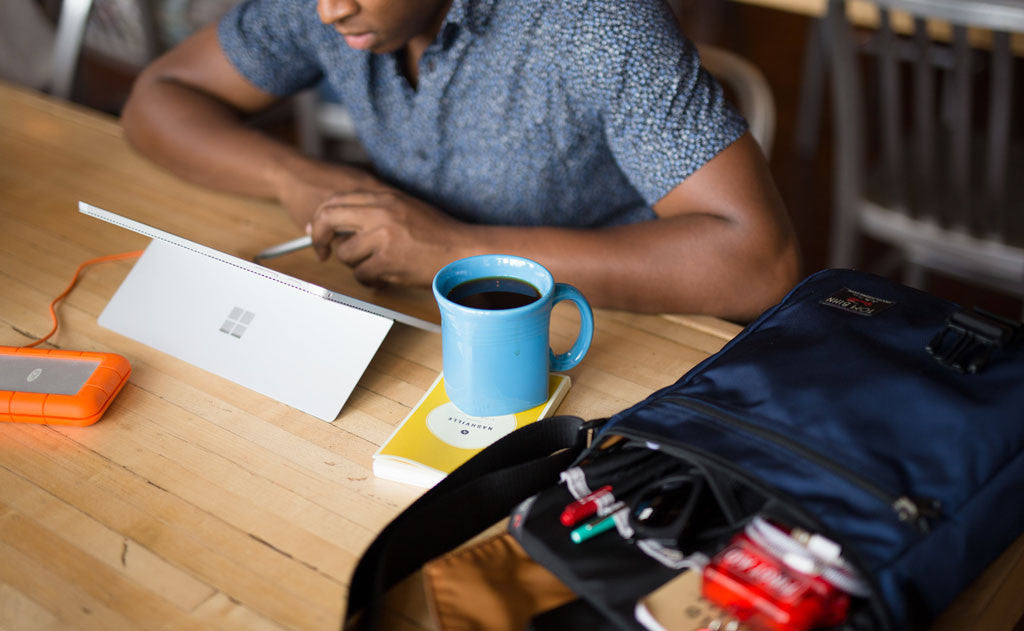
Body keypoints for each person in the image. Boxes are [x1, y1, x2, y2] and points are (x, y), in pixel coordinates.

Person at [122, 0, 800, 322]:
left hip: (605, 326)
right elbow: (157, 100)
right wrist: (294, 175)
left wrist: (460, 249)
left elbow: (757, 264)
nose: (329, 12)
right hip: (427, 321)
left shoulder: (595, 20)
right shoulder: (330, 4)